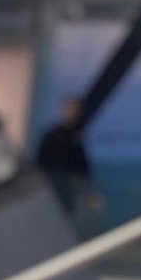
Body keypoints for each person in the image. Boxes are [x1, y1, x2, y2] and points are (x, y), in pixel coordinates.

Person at [37, 97, 97, 227]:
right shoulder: (56, 135)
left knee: (68, 211)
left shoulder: (73, 135)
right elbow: (42, 159)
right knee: (60, 210)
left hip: (68, 179)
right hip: (56, 178)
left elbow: (81, 160)